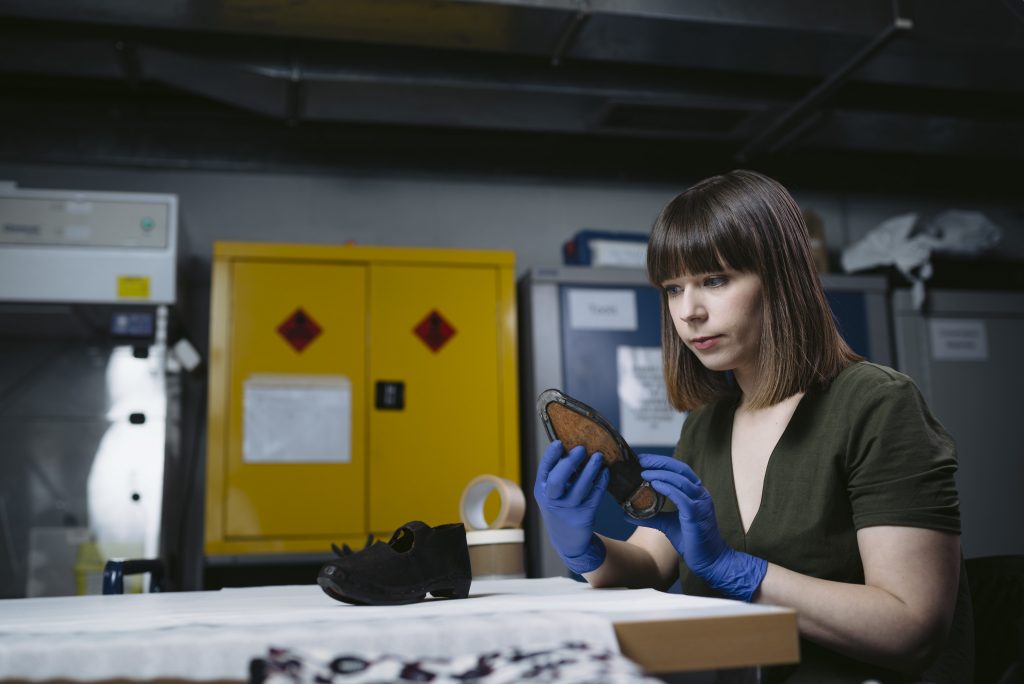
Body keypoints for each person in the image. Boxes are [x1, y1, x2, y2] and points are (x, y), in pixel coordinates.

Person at [534, 170, 972, 683]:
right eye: (673, 289)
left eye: (714, 281)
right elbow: (651, 564)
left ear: (781, 277)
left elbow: (911, 627)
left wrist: (737, 570)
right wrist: (581, 543)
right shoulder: (707, 424)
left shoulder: (876, 405)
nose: (689, 312)